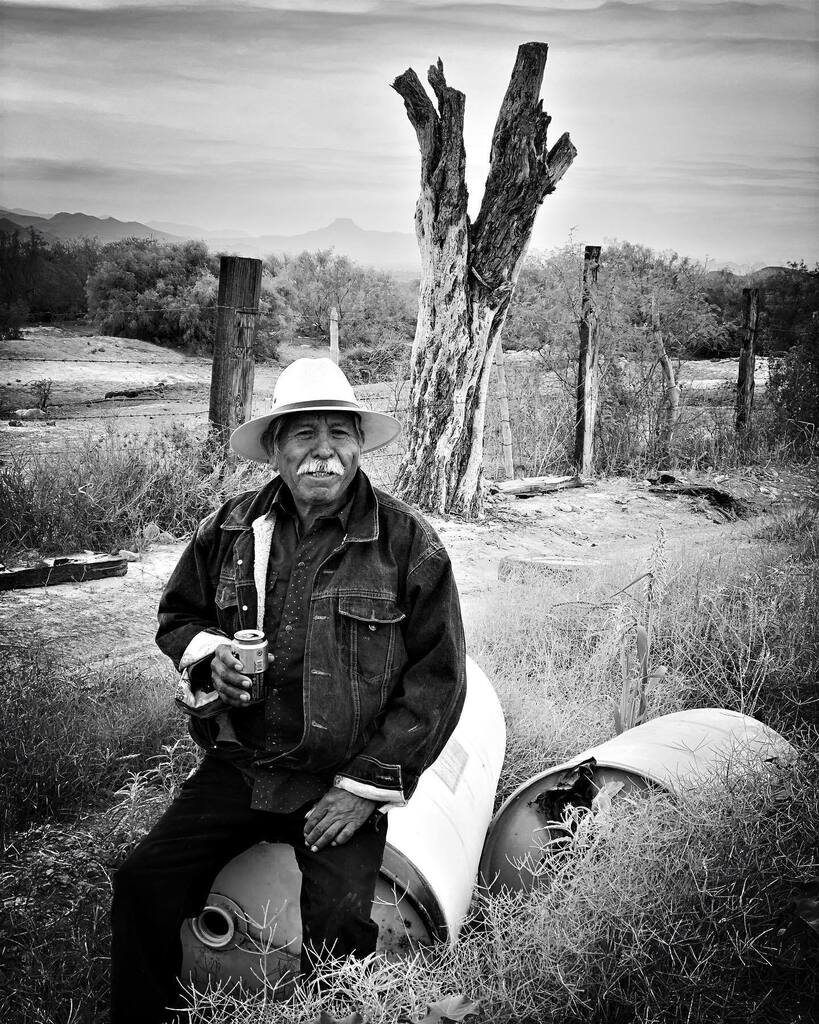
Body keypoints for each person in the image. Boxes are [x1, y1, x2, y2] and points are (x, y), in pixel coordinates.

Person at [109, 357, 467, 1024]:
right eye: (303, 434)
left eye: (340, 434)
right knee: (144, 882)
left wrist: (362, 789)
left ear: (359, 445)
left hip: (339, 777)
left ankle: (334, 1013)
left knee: (337, 924)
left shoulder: (407, 544)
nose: (323, 453)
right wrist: (210, 656)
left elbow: (438, 679)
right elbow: (178, 617)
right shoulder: (232, 527)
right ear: (275, 447)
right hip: (242, 764)